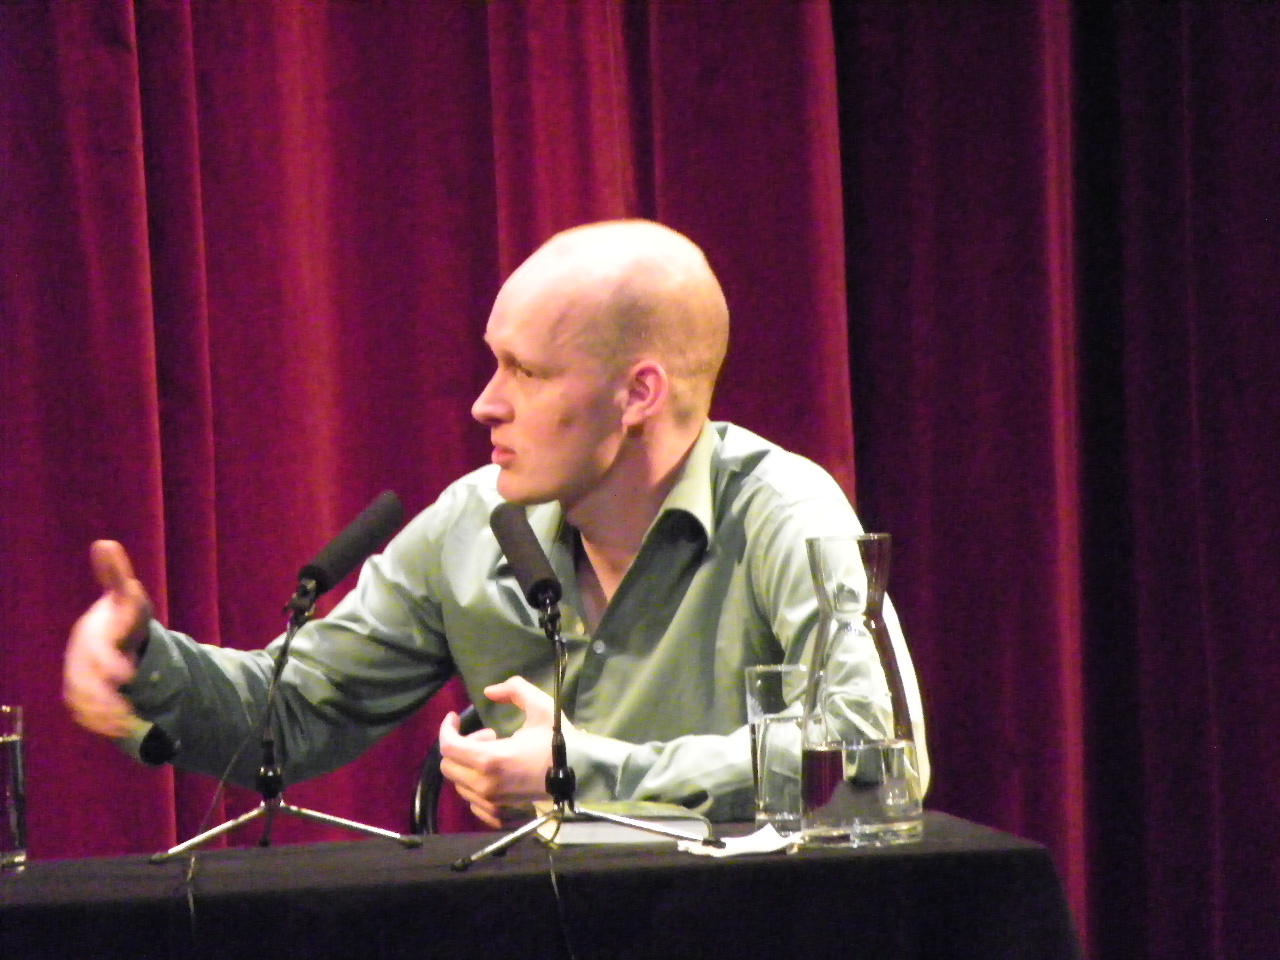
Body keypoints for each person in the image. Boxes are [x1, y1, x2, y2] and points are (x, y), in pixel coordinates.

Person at [63, 220, 928, 826]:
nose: (486, 404)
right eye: (494, 364)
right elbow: (291, 714)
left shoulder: (785, 513)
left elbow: (875, 757)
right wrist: (146, 661)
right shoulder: (473, 524)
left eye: (527, 372)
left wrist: (580, 771)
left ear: (638, 393)